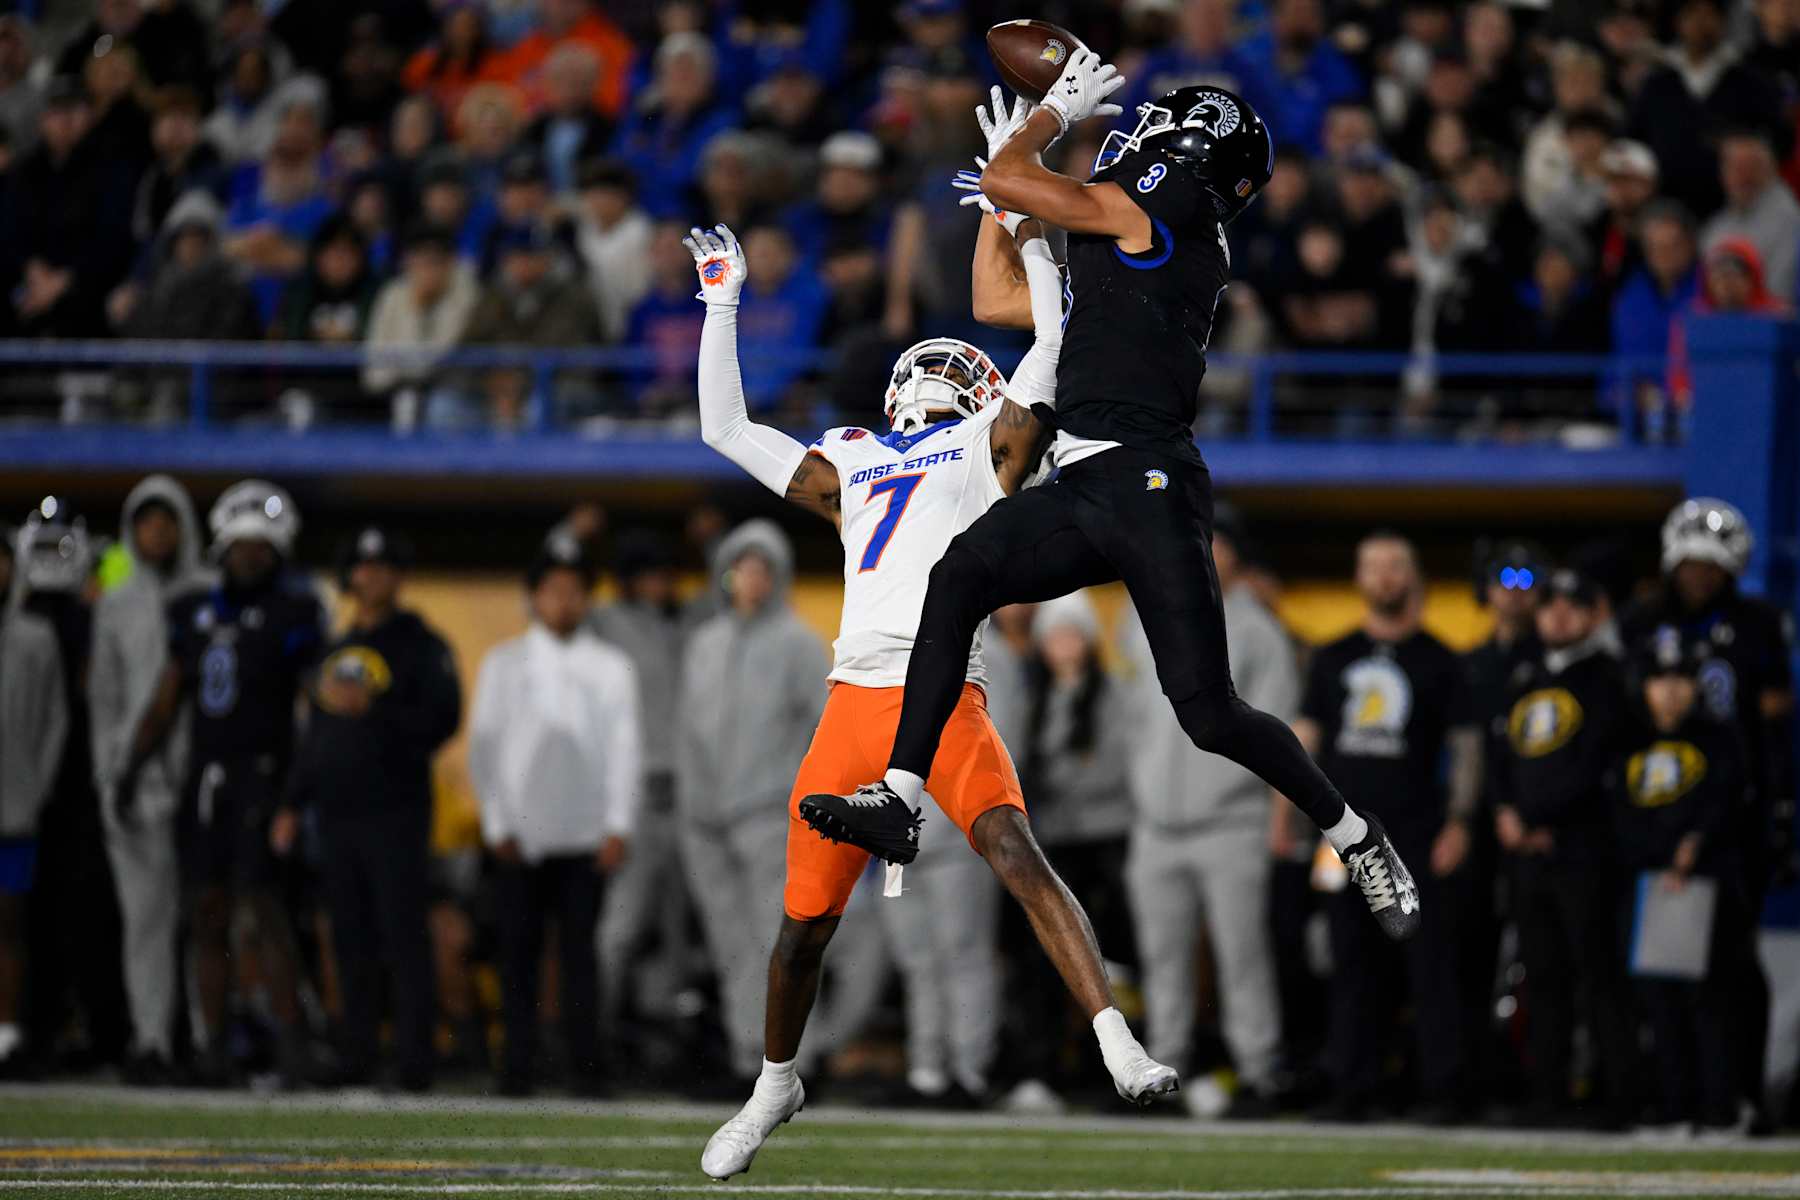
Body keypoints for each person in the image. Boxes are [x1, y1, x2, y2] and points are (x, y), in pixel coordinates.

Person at [802, 68, 1419, 950]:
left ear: (1189, 145)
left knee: (1209, 715)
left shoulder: (1171, 209)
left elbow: (1026, 184)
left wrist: (1041, 126)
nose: (1134, 134)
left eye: (1159, 125)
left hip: (1149, 482)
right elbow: (994, 297)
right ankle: (901, 799)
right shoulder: (1122, 233)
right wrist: (999, 192)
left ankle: (1357, 834)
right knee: (961, 571)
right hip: (1084, 482)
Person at [687, 90, 1174, 1176]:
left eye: (966, 370)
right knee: (802, 927)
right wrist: (723, 303)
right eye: (940, 366)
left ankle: (1114, 1040)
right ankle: (775, 1083)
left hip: (942, 692)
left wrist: (1021, 214)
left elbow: (1054, 338)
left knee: (1013, 849)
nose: (949, 375)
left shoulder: (989, 450)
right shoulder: (856, 460)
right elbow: (725, 428)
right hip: (853, 701)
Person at [119, 480, 326, 1086]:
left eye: (261, 545)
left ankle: (292, 1043)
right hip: (205, 777)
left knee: (264, 910)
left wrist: (298, 791)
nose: (249, 555)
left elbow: (314, 703)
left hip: (262, 773)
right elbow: (167, 696)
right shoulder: (193, 611)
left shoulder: (297, 612)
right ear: (221, 545)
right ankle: (213, 1046)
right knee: (206, 911)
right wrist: (132, 764)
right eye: (240, 545)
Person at [1621, 498, 1794, 1130]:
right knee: (1658, 974)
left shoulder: (1757, 623)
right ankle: (1676, 1096)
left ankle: (1736, 1096)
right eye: (1689, 563)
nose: (1697, 575)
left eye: (1709, 566)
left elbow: (1772, 726)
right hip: (1653, 811)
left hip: (1729, 816)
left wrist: (1777, 806)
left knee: (1728, 970)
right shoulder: (1642, 621)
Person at [1118, 507, 1293, 1117]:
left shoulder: (1258, 631)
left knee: (1241, 955)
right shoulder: (1142, 620)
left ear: (1234, 556)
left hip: (1231, 820)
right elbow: (1132, 722)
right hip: (1155, 825)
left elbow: (1280, 734)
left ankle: (1259, 1071)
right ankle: (1163, 1070)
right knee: (1161, 957)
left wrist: (1279, 821)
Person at [1296, 532, 1477, 1121]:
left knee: (1429, 966)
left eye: (1395, 566)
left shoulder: (1440, 660)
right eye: (1372, 566)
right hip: (1343, 835)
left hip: (1416, 832)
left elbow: (1467, 749)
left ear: (1413, 576)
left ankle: (1442, 1091)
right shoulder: (1332, 656)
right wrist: (1294, 823)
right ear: (1359, 577)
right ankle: (1352, 1087)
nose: (1384, 577)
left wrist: (1461, 821)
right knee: (1350, 964)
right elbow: (1304, 745)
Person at [278, 527, 461, 1092]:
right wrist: (292, 802)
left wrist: (376, 708)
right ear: (351, 576)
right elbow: (316, 737)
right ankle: (357, 1050)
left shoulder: (421, 644)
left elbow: (443, 720)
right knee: (349, 937)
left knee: (403, 936)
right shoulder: (334, 648)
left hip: (396, 812)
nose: (372, 577)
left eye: (383, 567)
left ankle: (413, 1060)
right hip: (336, 815)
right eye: (363, 566)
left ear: (397, 577)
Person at [468, 533, 641, 1097]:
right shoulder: (505, 664)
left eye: (574, 591)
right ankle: (516, 1065)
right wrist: (496, 823)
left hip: (587, 835)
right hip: (522, 835)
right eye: (552, 590)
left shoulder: (611, 668)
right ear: (534, 598)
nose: (563, 601)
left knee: (579, 959)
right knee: (516, 954)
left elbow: (625, 747)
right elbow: (484, 748)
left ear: (587, 598)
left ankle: (585, 1068)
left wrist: (619, 824)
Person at [675, 518, 826, 1092]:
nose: (753, 579)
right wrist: (692, 807)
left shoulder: (798, 643)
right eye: (744, 567)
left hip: (769, 815)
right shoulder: (704, 644)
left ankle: (791, 1061)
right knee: (729, 942)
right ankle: (747, 1055)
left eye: (765, 569)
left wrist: (804, 806)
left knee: (777, 941)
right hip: (706, 821)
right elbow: (685, 731)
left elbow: (821, 729)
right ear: (727, 573)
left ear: (780, 576)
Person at [1492, 566, 1633, 1128]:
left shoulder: (1607, 678)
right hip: (1529, 853)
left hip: (1584, 851)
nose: (1558, 614)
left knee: (1598, 974)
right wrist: (1506, 812)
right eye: (1549, 604)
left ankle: (1614, 1096)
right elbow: (1500, 755)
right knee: (1542, 976)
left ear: (1592, 614)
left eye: (1572, 605)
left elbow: (1601, 761)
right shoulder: (1523, 675)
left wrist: (1541, 818)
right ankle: (1546, 1096)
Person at [87, 476, 212, 1082]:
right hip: (139, 783)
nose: (158, 532)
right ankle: (153, 1038)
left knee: (206, 916)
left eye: (168, 520)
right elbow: (106, 701)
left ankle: (207, 1040)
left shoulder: (210, 593)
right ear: (132, 529)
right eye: (147, 521)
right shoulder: (116, 603)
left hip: (203, 780)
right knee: (146, 919)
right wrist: (111, 775)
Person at [1617, 632, 1755, 1132]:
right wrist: (1657, 855)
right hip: (1646, 884)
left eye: (1681, 680)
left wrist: (1695, 844)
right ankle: (1672, 1105)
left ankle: (1717, 1106)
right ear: (1644, 685)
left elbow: (1727, 801)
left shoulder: (1719, 737)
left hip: (1705, 884)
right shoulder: (1628, 738)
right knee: (1657, 1003)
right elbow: (1621, 813)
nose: (1671, 691)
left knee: (1710, 1000)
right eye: (1660, 680)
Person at [590, 530, 694, 1037]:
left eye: (664, 574)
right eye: (650, 575)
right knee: (622, 927)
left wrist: (716, 540)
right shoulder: (609, 623)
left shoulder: (682, 628)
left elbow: (725, 596)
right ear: (630, 581)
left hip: (686, 798)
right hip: (633, 797)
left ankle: (660, 1042)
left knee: (676, 932)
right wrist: (574, 536)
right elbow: (557, 603)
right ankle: (596, 1034)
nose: (661, 583)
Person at [0, 535, 69, 1077]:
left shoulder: (35, 636)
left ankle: (6, 1036)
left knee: (11, 922)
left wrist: (36, 787)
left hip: (14, 806)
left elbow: (55, 720)